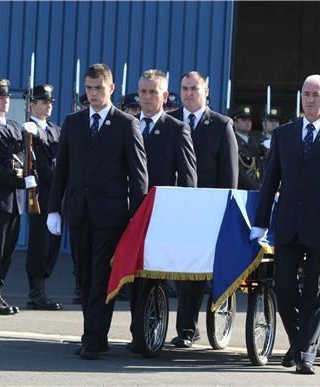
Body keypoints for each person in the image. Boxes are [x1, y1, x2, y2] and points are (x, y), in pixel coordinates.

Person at [250, 74, 320, 374]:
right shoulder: (284, 135)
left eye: (316, 95)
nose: (310, 99)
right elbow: (270, 181)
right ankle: (301, 341)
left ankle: (306, 354)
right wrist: (260, 223)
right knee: (284, 289)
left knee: (316, 292)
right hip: (288, 226)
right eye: (306, 93)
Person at [47, 63, 147, 360]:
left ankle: (93, 336)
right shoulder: (73, 122)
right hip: (78, 211)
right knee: (84, 276)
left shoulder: (126, 124)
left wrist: (136, 217)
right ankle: (94, 333)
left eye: (98, 88)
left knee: (102, 275)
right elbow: (61, 169)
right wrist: (54, 208)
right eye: (88, 88)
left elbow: (138, 176)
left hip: (110, 215)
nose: (92, 94)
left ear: (111, 89)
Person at [126, 69, 197, 353]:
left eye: (153, 92)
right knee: (132, 276)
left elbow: (188, 178)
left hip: (160, 215)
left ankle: (148, 331)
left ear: (165, 96)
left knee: (152, 276)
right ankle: (137, 332)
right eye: (143, 92)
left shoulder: (176, 128)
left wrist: (182, 214)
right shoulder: (128, 124)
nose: (146, 97)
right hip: (130, 213)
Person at [168, 71, 238, 349]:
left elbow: (229, 176)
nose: (188, 93)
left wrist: (223, 212)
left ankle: (193, 327)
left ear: (206, 91)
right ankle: (178, 327)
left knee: (199, 273)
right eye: (184, 88)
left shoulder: (221, 125)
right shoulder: (169, 120)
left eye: (194, 88)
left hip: (208, 211)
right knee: (180, 272)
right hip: (175, 209)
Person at [0, 79, 38, 315]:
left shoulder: (14, 126)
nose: (5, 101)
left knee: (8, 250)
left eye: (7, 97)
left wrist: (32, 136)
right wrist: (21, 181)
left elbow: (23, 158)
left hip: (15, 201)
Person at [24, 83, 63, 310]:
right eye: (44, 101)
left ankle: (43, 284)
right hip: (39, 193)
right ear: (32, 104)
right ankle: (35, 290)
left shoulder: (55, 130)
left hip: (56, 193)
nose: (48, 105)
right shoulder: (28, 130)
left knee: (53, 242)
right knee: (39, 242)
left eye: (50, 102)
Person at [231, 105, 262, 190]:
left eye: (249, 120)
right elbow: (238, 171)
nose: (247, 122)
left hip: (257, 187)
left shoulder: (255, 143)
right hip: (241, 189)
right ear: (235, 122)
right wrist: (256, 187)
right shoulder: (232, 141)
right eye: (243, 119)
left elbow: (260, 166)